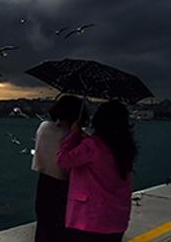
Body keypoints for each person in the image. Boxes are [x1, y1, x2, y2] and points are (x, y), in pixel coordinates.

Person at [56, 100, 137, 242]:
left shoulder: (93, 145)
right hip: (117, 219)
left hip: (90, 220)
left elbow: (63, 160)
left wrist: (73, 135)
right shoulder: (124, 147)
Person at [31, 95, 83, 242]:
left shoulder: (43, 127)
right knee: (60, 227)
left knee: (44, 224)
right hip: (63, 186)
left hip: (44, 182)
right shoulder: (70, 134)